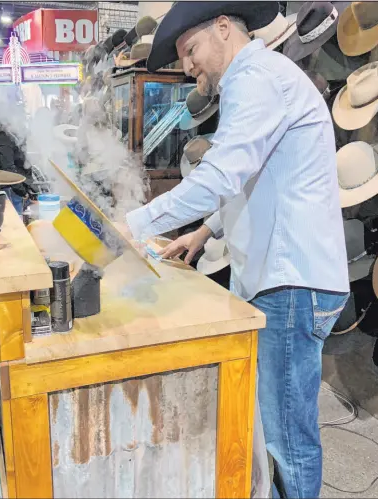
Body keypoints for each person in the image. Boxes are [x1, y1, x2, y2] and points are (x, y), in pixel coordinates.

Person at [124, 3, 350, 498]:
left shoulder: (257, 80)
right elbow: (255, 180)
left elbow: (222, 175)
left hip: (290, 283)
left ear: (224, 29)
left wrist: (130, 224)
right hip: (285, 279)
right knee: (272, 430)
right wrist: (204, 231)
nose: (188, 67)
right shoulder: (259, 78)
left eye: (190, 50)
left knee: (288, 439)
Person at [0, 119, 37, 214]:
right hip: (11, 188)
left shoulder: (2, 137)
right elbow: (9, 169)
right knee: (16, 221)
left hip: (11, 187)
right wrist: (21, 190)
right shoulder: (4, 139)